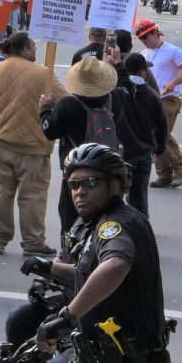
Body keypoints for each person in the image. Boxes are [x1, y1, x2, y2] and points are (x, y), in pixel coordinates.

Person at [26, 142, 171, 363]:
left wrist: (69, 316)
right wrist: (49, 268)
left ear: (115, 185)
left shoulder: (116, 225)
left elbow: (115, 264)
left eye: (91, 183)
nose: (80, 191)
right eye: (74, 184)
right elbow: (87, 271)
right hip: (93, 362)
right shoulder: (96, 223)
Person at [42, 55, 122, 237]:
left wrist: (45, 110)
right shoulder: (114, 99)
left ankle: (71, 257)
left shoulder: (68, 104)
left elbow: (49, 132)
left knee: (71, 220)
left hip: (75, 171)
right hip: (105, 168)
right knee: (105, 218)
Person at [135, 18, 182, 187]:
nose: (144, 41)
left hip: (170, 98)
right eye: (140, 38)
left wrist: (173, 83)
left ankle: (181, 168)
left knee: (162, 134)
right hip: (152, 100)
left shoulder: (172, 51)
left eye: (146, 36)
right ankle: (164, 174)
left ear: (155, 32)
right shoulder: (143, 55)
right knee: (153, 136)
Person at [111, 51, 169, 215]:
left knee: (114, 194)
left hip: (120, 151)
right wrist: (159, 149)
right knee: (139, 195)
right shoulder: (153, 96)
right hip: (143, 152)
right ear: (143, 71)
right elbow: (162, 126)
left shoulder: (118, 93)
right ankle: (141, 227)